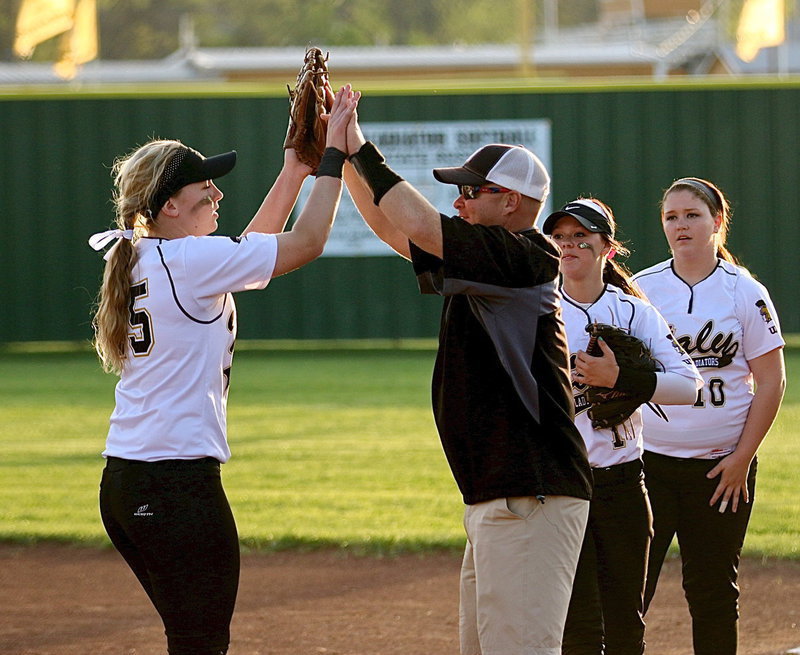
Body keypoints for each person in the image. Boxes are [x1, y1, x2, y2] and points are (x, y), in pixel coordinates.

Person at [88, 85, 359, 655]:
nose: (217, 190)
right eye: (202, 185)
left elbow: (247, 251)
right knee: (201, 641)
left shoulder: (140, 254)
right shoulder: (187, 261)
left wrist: (295, 171)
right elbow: (306, 243)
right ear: (168, 207)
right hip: (176, 483)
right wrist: (334, 157)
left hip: (126, 481)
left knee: (192, 638)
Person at [342, 108, 593, 654]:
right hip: (503, 494)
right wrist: (338, 159)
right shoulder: (490, 262)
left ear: (511, 201)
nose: (460, 200)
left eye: (472, 191)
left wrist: (360, 146)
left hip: (531, 491)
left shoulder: (527, 256)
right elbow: (393, 226)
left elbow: (419, 223)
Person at [541, 198, 702, 655]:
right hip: (561, 484)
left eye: (581, 238)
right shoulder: (538, 309)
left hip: (623, 485)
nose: (568, 246)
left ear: (607, 249)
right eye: (561, 238)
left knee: (626, 627)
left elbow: (689, 386)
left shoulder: (635, 313)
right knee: (578, 627)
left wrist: (620, 379)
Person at [632, 177, 786, 655]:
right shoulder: (642, 289)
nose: (681, 225)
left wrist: (742, 459)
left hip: (721, 469)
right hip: (647, 467)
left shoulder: (744, 291)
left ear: (717, 222)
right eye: (671, 217)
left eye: (692, 215)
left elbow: (772, 382)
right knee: (630, 591)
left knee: (713, 592)